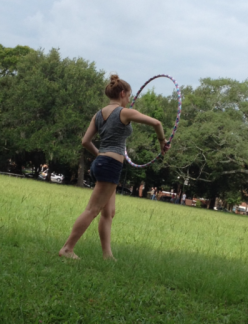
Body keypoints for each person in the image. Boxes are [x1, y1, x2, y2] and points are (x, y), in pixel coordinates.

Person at [59, 74, 170, 260]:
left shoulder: (98, 115)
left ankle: (107, 255)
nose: (129, 100)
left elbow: (85, 141)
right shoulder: (123, 113)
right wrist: (162, 142)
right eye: (129, 96)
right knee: (92, 210)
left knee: (108, 212)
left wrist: (100, 155)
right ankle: (67, 248)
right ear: (122, 93)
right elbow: (157, 123)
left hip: (102, 162)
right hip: (110, 165)